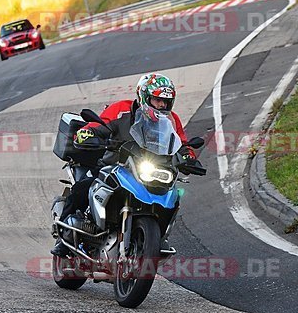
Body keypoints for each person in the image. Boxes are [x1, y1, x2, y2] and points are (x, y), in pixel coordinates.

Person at [52, 73, 201, 257]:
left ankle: (154, 239)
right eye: (157, 100)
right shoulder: (120, 110)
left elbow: (182, 144)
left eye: (166, 101)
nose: (162, 105)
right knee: (83, 187)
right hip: (113, 165)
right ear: (144, 97)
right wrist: (88, 134)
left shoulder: (172, 119)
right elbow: (96, 125)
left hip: (148, 169)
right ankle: (64, 237)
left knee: (172, 196)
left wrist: (189, 157)